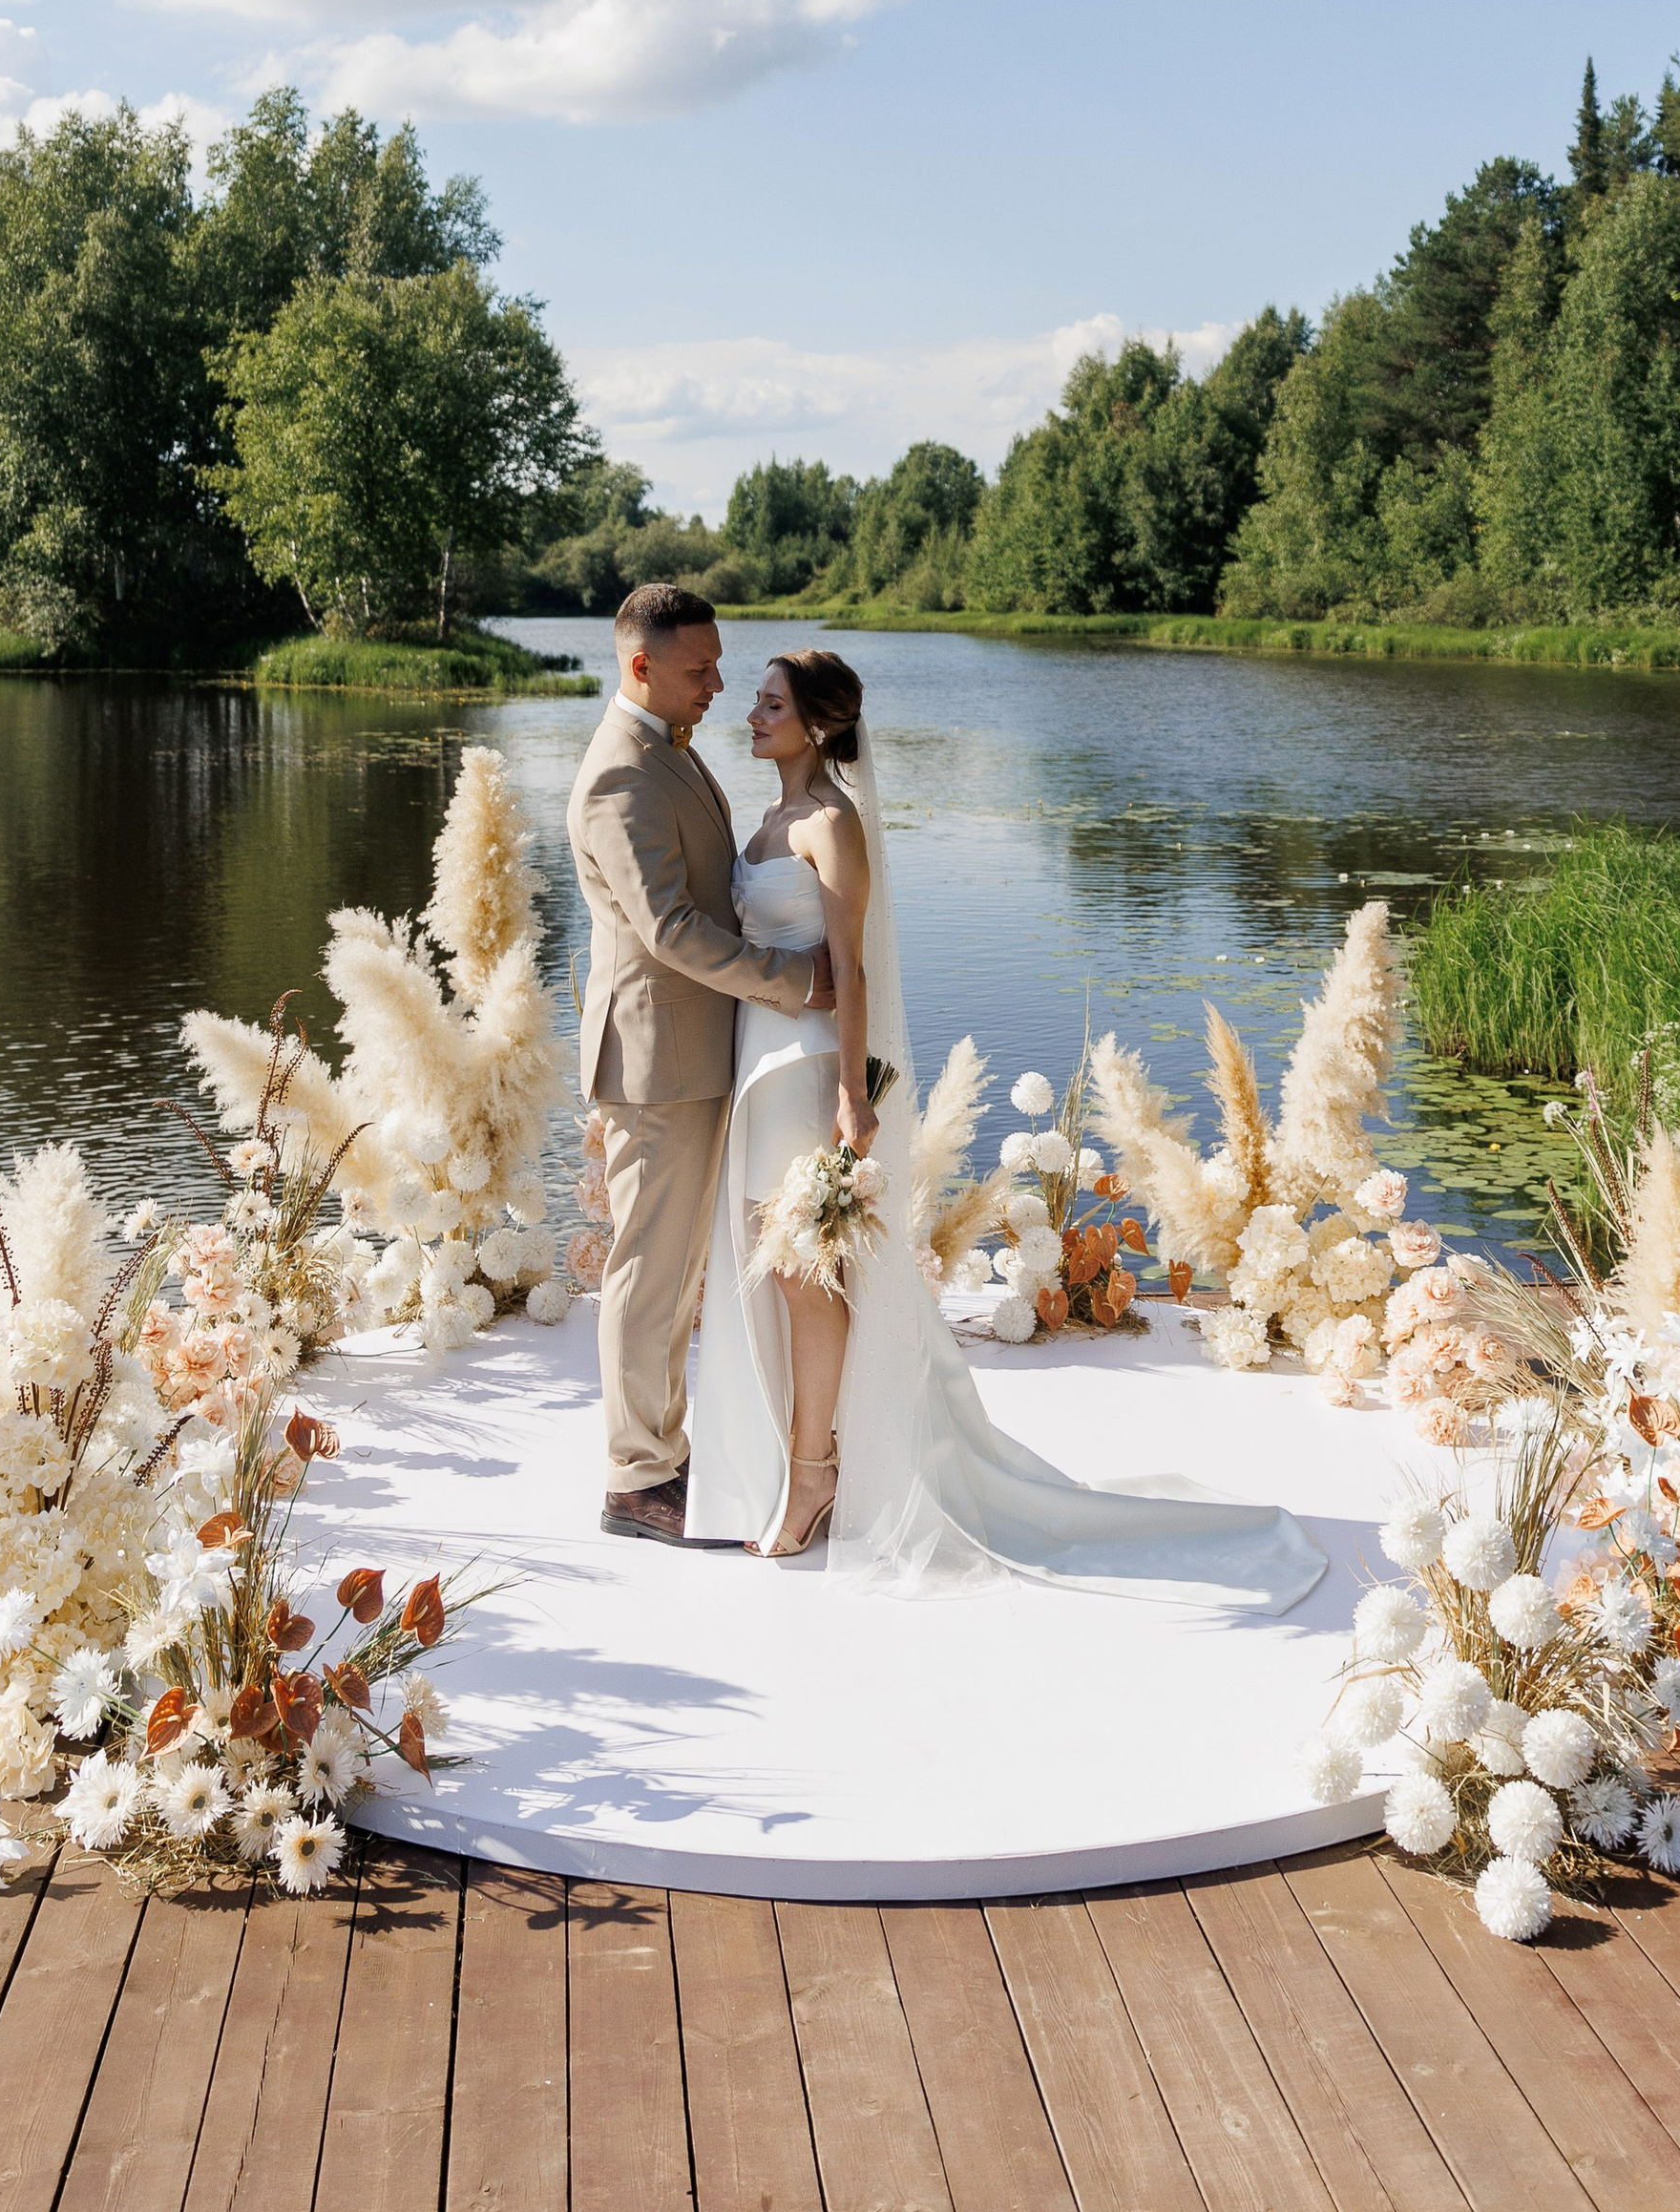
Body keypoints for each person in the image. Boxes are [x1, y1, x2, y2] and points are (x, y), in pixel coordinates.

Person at [685, 646, 1327, 1610]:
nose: (752, 713)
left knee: (804, 1275)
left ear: (816, 724)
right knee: (779, 1272)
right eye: (757, 700)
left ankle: (816, 1474)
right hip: (756, 1064)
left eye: (771, 703)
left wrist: (854, 1094)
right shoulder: (772, 817)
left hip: (808, 1068)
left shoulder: (833, 823)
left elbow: (852, 970)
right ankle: (806, 1454)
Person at [565, 582, 833, 1546]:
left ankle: (669, 1452)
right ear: (641, 665)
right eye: (700, 668)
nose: (718, 683)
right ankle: (636, 1478)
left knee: (677, 1272)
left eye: (719, 664)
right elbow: (670, 927)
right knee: (649, 1272)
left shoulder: (665, 749)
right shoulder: (620, 773)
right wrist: (796, 980)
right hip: (656, 1060)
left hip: (697, 1049)